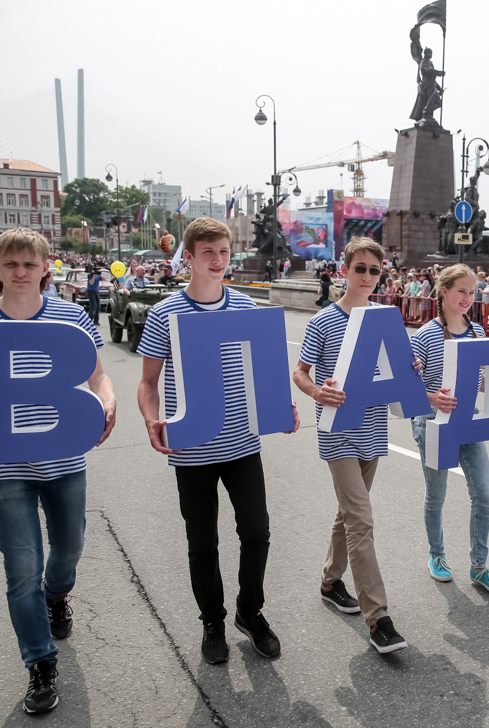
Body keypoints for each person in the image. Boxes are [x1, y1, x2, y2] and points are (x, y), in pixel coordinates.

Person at [0, 228, 117, 715]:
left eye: (29, 264)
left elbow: (98, 375)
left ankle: (58, 595)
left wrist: (108, 399)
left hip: (65, 458)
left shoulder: (71, 317)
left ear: (46, 267)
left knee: (69, 550)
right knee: (21, 570)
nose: (21, 273)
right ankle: (40, 665)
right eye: (10, 264)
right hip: (4, 464)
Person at [137, 217, 299, 666]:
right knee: (202, 541)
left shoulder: (246, 308)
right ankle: (212, 620)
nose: (217, 260)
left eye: (224, 252)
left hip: (242, 444)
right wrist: (152, 419)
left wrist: (280, 408)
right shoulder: (165, 314)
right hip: (191, 447)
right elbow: (148, 382)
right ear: (187, 257)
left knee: (257, 532)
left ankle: (250, 612)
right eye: (207, 252)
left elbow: (264, 374)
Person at [293, 237, 412, 654]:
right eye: (359, 268)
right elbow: (301, 372)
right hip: (337, 430)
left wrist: (409, 368)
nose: (366, 276)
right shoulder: (323, 321)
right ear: (345, 270)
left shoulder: (385, 319)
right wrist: (316, 393)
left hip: (373, 430)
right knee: (362, 519)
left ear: (382, 275)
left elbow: (400, 377)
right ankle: (378, 618)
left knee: (349, 514)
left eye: (374, 270)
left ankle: (330, 581)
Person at [410, 264, 489, 594]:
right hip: (432, 421)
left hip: (468, 420)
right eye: (461, 291)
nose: (468, 298)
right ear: (443, 291)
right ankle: (437, 556)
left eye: (472, 292)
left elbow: (483, 379)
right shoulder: (426, 335)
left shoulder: (477, 332)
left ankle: (479, 567)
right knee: (438, 495)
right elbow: (407, 386)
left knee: (484, 495)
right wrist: (434, 398)